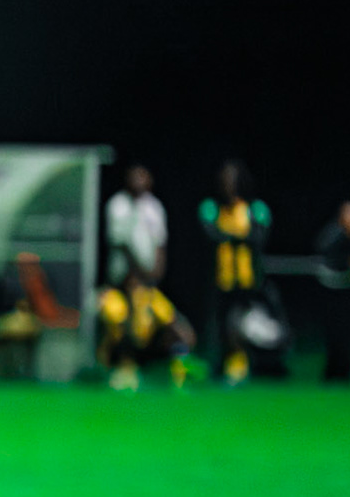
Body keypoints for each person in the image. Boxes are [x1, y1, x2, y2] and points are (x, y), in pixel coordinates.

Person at [197, 159, 270, 383]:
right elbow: (212, 236)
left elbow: (258, 238)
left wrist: (232, 238)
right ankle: (219, 364)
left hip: (248, 280)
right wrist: (237, 238)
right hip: (221, 279)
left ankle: (247, 363)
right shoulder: (211, 208)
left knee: (245, 323)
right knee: (220, 324)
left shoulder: (254, 209)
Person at [97, 270, 195, 391]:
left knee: (174, 339)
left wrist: (186, 336)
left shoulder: (151, 297)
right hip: (121, 350)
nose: (136, 288)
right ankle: (125, 374)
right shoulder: (116, 298)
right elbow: (117, 328)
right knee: (124, 339)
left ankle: (178, 378)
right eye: (132, 284)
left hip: (147, 346)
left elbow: (171, 320)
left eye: (138, 283)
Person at [314, 201, 350, 384]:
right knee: (333, 332)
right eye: (347, 215)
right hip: (332, 290)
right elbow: (323, 249)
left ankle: (349, 370)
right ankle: (332, 371)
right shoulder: (334, 233)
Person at [105, 163, 167, 287]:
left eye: (142, 177)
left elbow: (160, 241)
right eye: (135, 177)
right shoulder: (118, 203)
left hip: (149, 274)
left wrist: (158, 270)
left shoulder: (154, 206)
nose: (139, 181)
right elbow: (120, 242)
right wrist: (139, 270)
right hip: (123, 274)